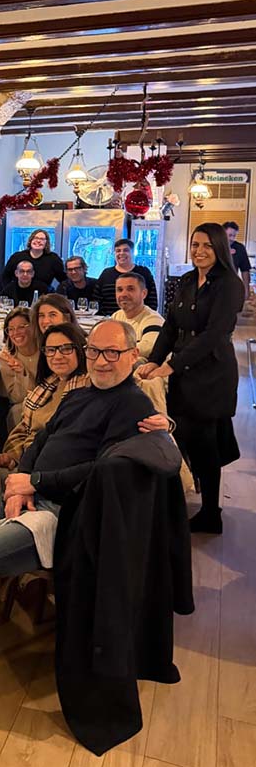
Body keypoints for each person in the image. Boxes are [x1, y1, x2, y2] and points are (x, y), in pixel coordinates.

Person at [0, 320, 164, 722]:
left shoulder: (133, 407)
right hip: (29, 493)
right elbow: (42, 440)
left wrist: (35, 482)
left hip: (65, 513)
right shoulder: (81, 395)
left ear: (132, 356)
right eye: (94, 351)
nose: (101, 361)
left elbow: (103, 471)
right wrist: (20, 482)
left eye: (112, 353)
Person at [140, 223, 245, 534]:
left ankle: (211, 513)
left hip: (212, 373)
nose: (199, 251)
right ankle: (184, 498)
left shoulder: (229, 284)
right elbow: (171, 326)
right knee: (183, 435)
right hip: (184, 370)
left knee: (206, 443)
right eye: (195, 244)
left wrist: (172, 366)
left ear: (219, 249)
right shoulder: (187, 280)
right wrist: (154, 359)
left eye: (207, 246)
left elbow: (214, 335)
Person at [0, 323, 89, 469]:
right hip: (28, 459)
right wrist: (13, 456)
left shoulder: (86, 388)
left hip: (52, 466)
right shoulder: (50, 383)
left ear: (80, 350)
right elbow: (24, 428)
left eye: (66, 349)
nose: (57, 356)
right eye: (51, 350)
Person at [111, 272, 164, 365]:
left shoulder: (153, 319)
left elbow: (148, 348)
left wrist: (112, 351)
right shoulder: (116, 316)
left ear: (144, 293)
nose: (123, 294)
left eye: (130, 289)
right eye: (119, 290)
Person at [96, 238, 158, 314]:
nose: (121, 253)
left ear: (133, 252)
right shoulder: (106, 274)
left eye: (126, 250)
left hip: (137, 319)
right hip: (109, 319)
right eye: (118, 251)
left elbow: (152, 300)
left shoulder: (144, 272)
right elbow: (96, 299)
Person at [0, 307, 39, 407]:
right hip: (25, 404)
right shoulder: (7, 357)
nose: (16, 333)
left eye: (21, 327)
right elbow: (16, 398)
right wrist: (21, 373)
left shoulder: (47, 349)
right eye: (11, 329)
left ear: (34, 327)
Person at [223, 221, 252, 301]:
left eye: (234, 236)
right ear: (222, 234)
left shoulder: (239, 248)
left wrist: (246, 290)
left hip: (232, 285)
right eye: (230, 235)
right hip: (214, 286)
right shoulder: (213, 246)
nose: (232, 239)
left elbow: (245, 270)